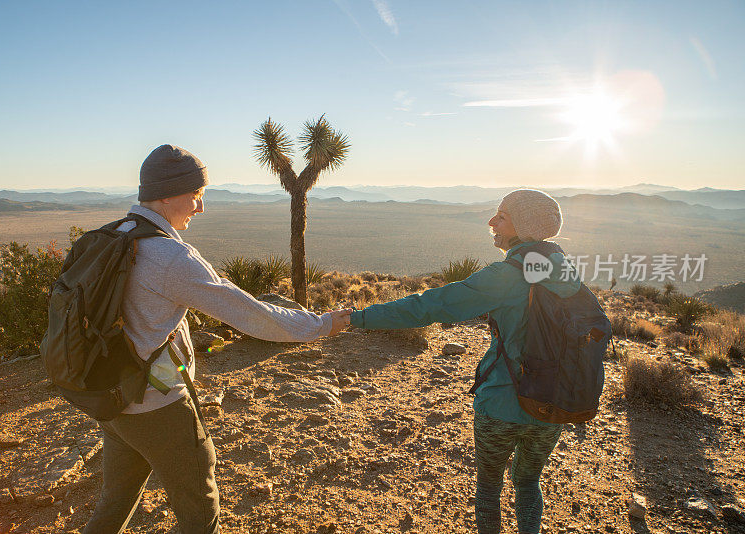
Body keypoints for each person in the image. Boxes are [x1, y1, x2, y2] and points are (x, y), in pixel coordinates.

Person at [81, 144, 351, 534]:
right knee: (199, 513)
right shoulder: (170, 257)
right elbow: (251, 315)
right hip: (159, 405)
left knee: (115, 501)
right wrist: (321, 324)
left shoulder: (111, 236)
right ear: (167, 193)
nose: (200, 207)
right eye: (196, 195)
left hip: (113, 397)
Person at [347, 189, 580, 534]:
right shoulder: (567, 272)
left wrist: (357, 318)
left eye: (501, 216)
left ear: (525, 226)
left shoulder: (507, 274)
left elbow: (431, 305)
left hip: (502, 403)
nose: (491, 222)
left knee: (488, 488)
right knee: (529, 482)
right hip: (554, 406)